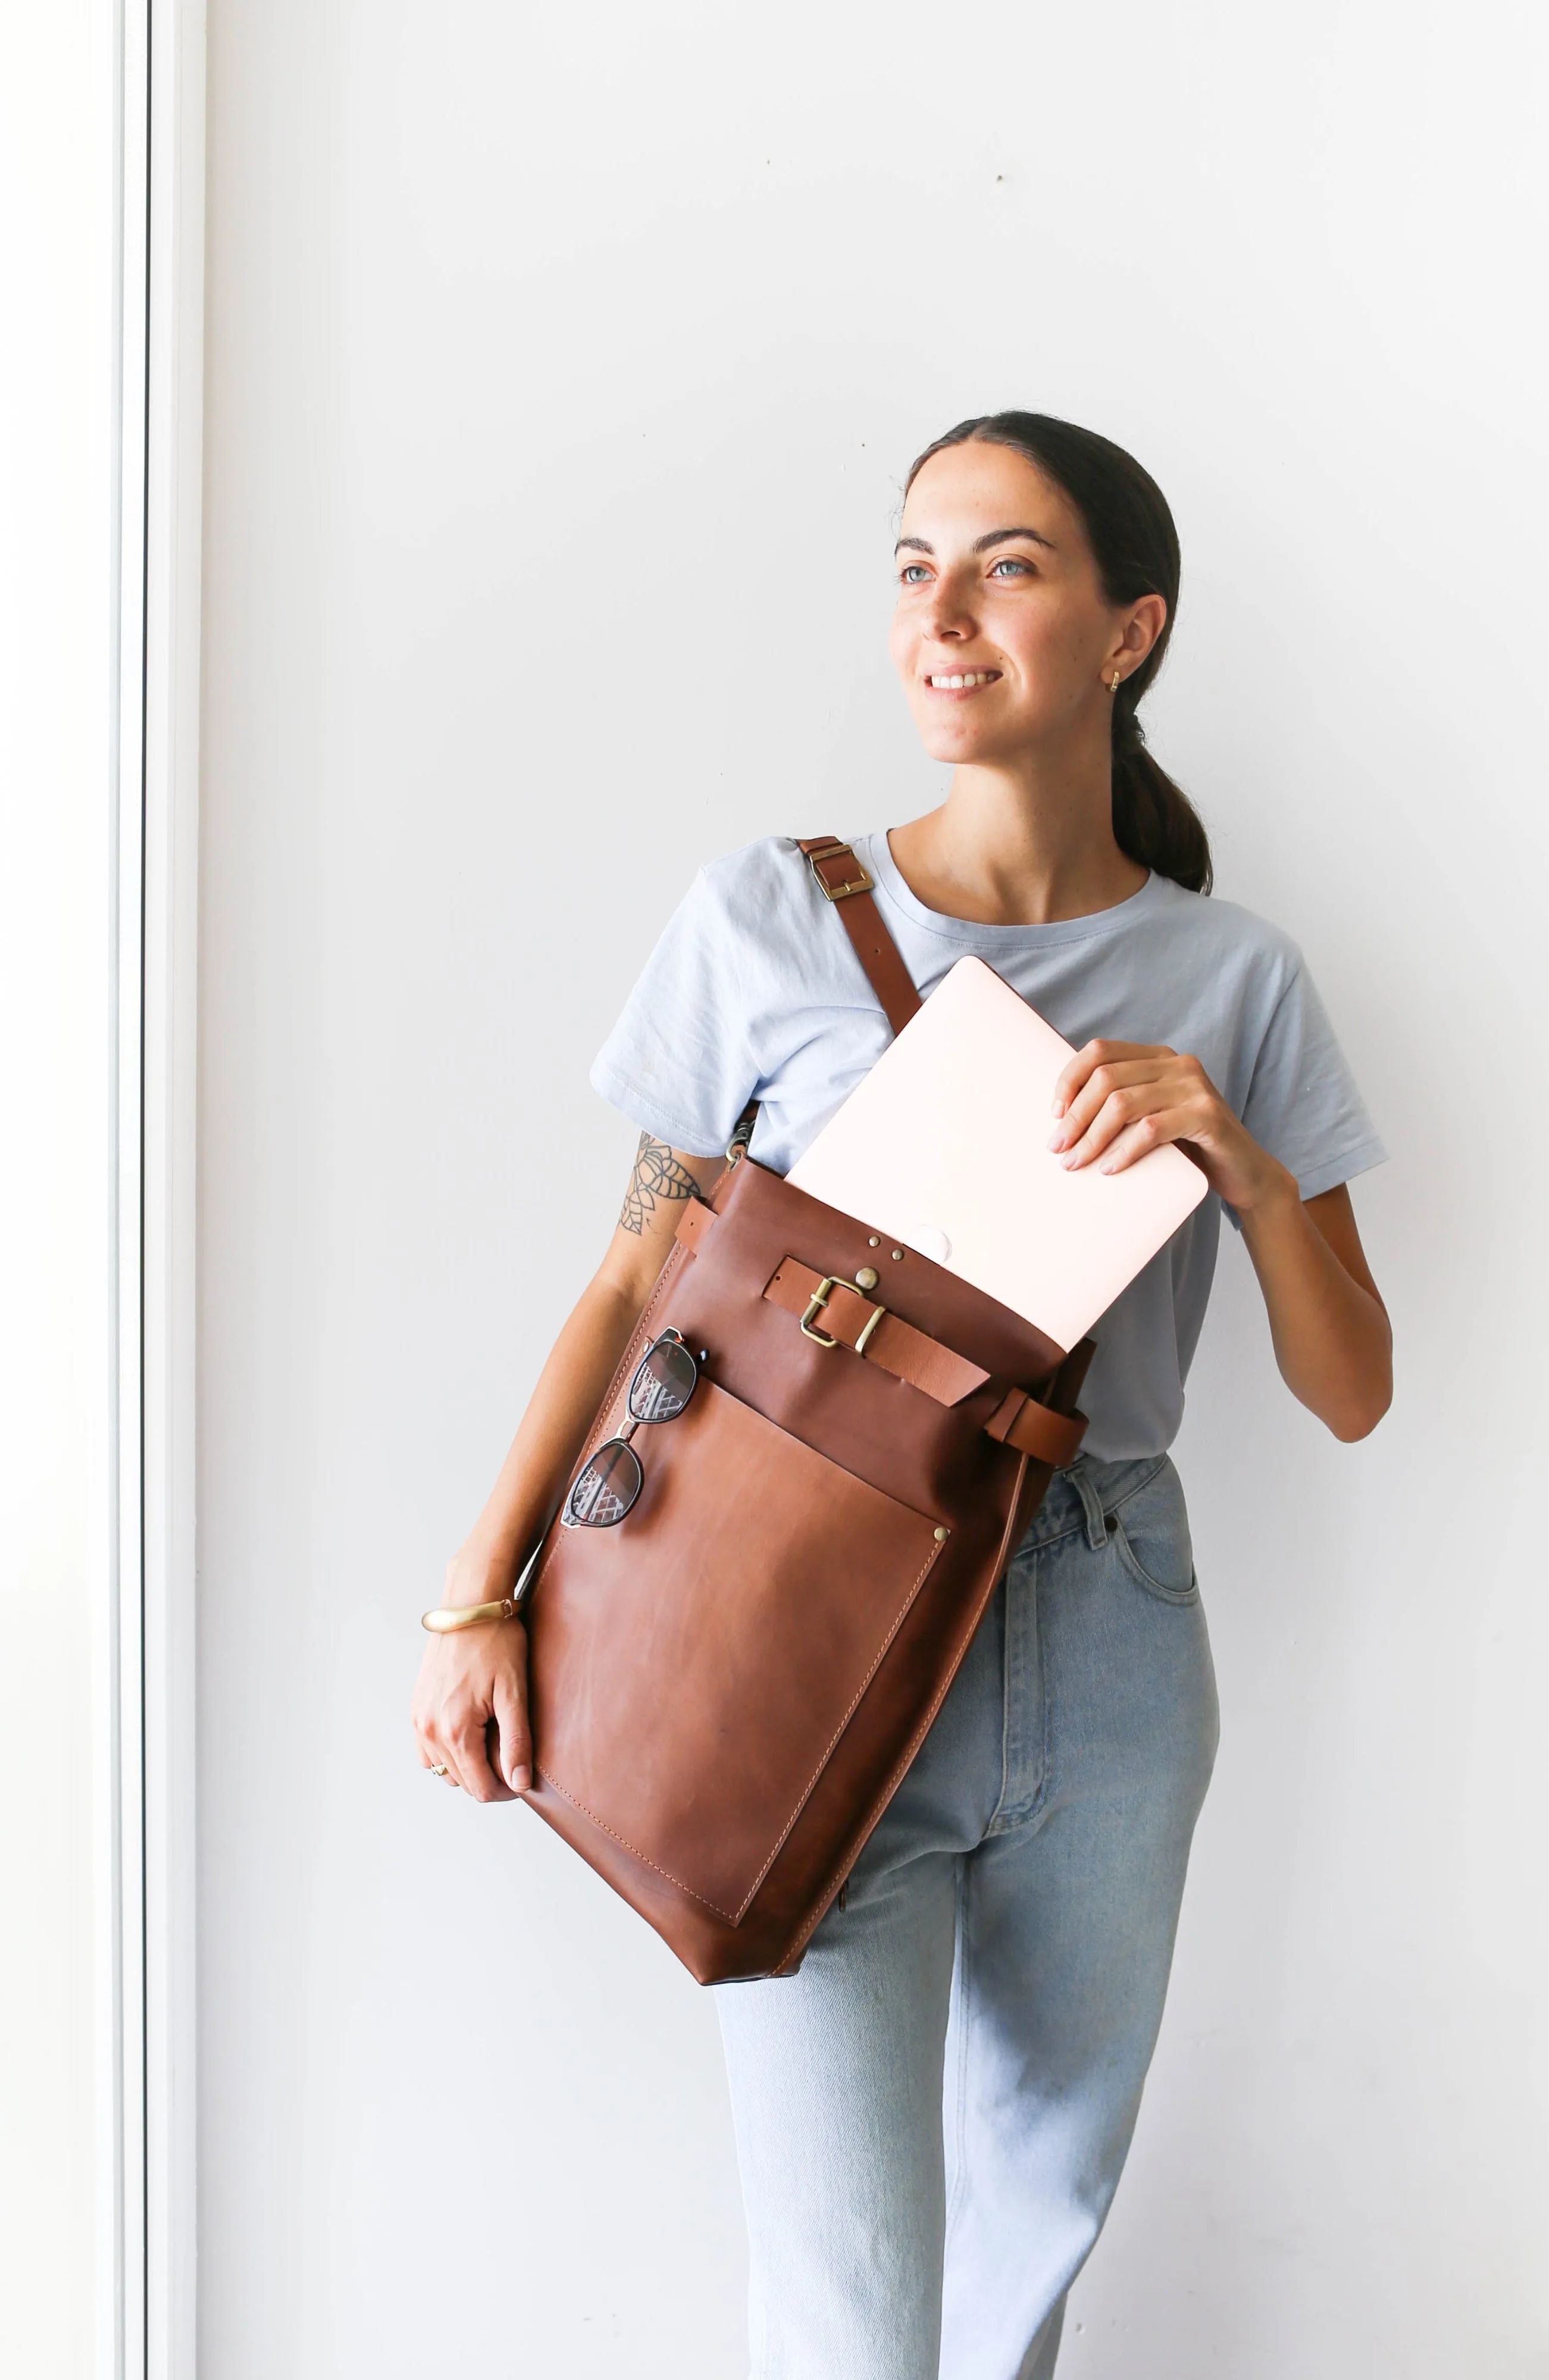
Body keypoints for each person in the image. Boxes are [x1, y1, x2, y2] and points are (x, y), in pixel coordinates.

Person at [411, 411, 1392, 2379]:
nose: (938, 614)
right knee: (856, 2313)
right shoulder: (772, 918)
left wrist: (1251, 1173)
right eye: (911, 563)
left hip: (1114, 1634)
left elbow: (1353, 1390)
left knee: (1036, 2245)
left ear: (1130, 632)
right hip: (795, 1611)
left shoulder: (1236, 979)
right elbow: (635, 1279)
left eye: (1006, 565)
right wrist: (479, 1591)